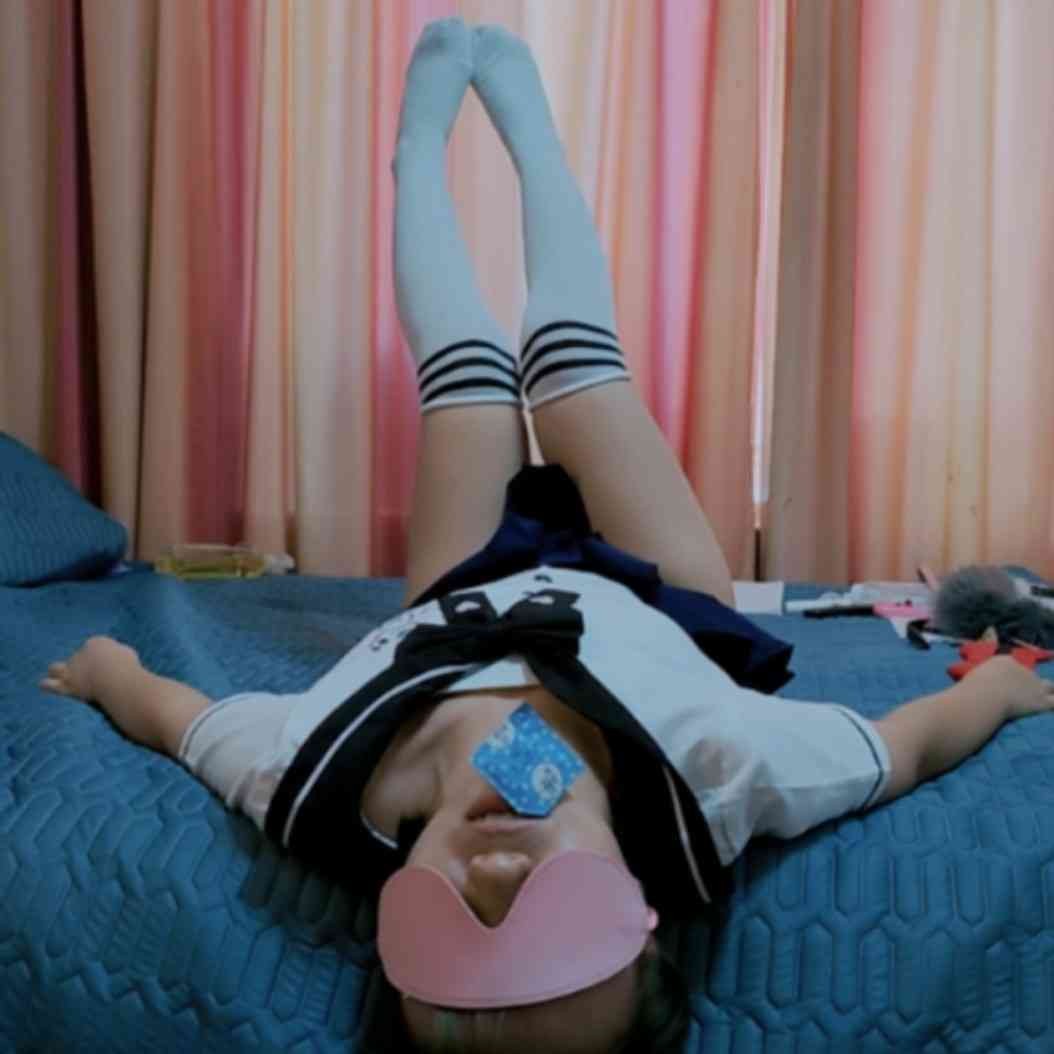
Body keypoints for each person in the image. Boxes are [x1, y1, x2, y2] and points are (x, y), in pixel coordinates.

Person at [40, 18, 1054, 1054]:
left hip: (456, 603)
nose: (495, 869)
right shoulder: (722, 775)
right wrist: (994, 692)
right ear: (645, 918)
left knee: (470, 371)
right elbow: (899, 750)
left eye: (453, 917)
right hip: (664, 601)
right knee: (571, 363)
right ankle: (533, 136)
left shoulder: (320, 780)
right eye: (553, 910)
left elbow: (188, 725)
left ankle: (415, 152)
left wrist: (113, 673)